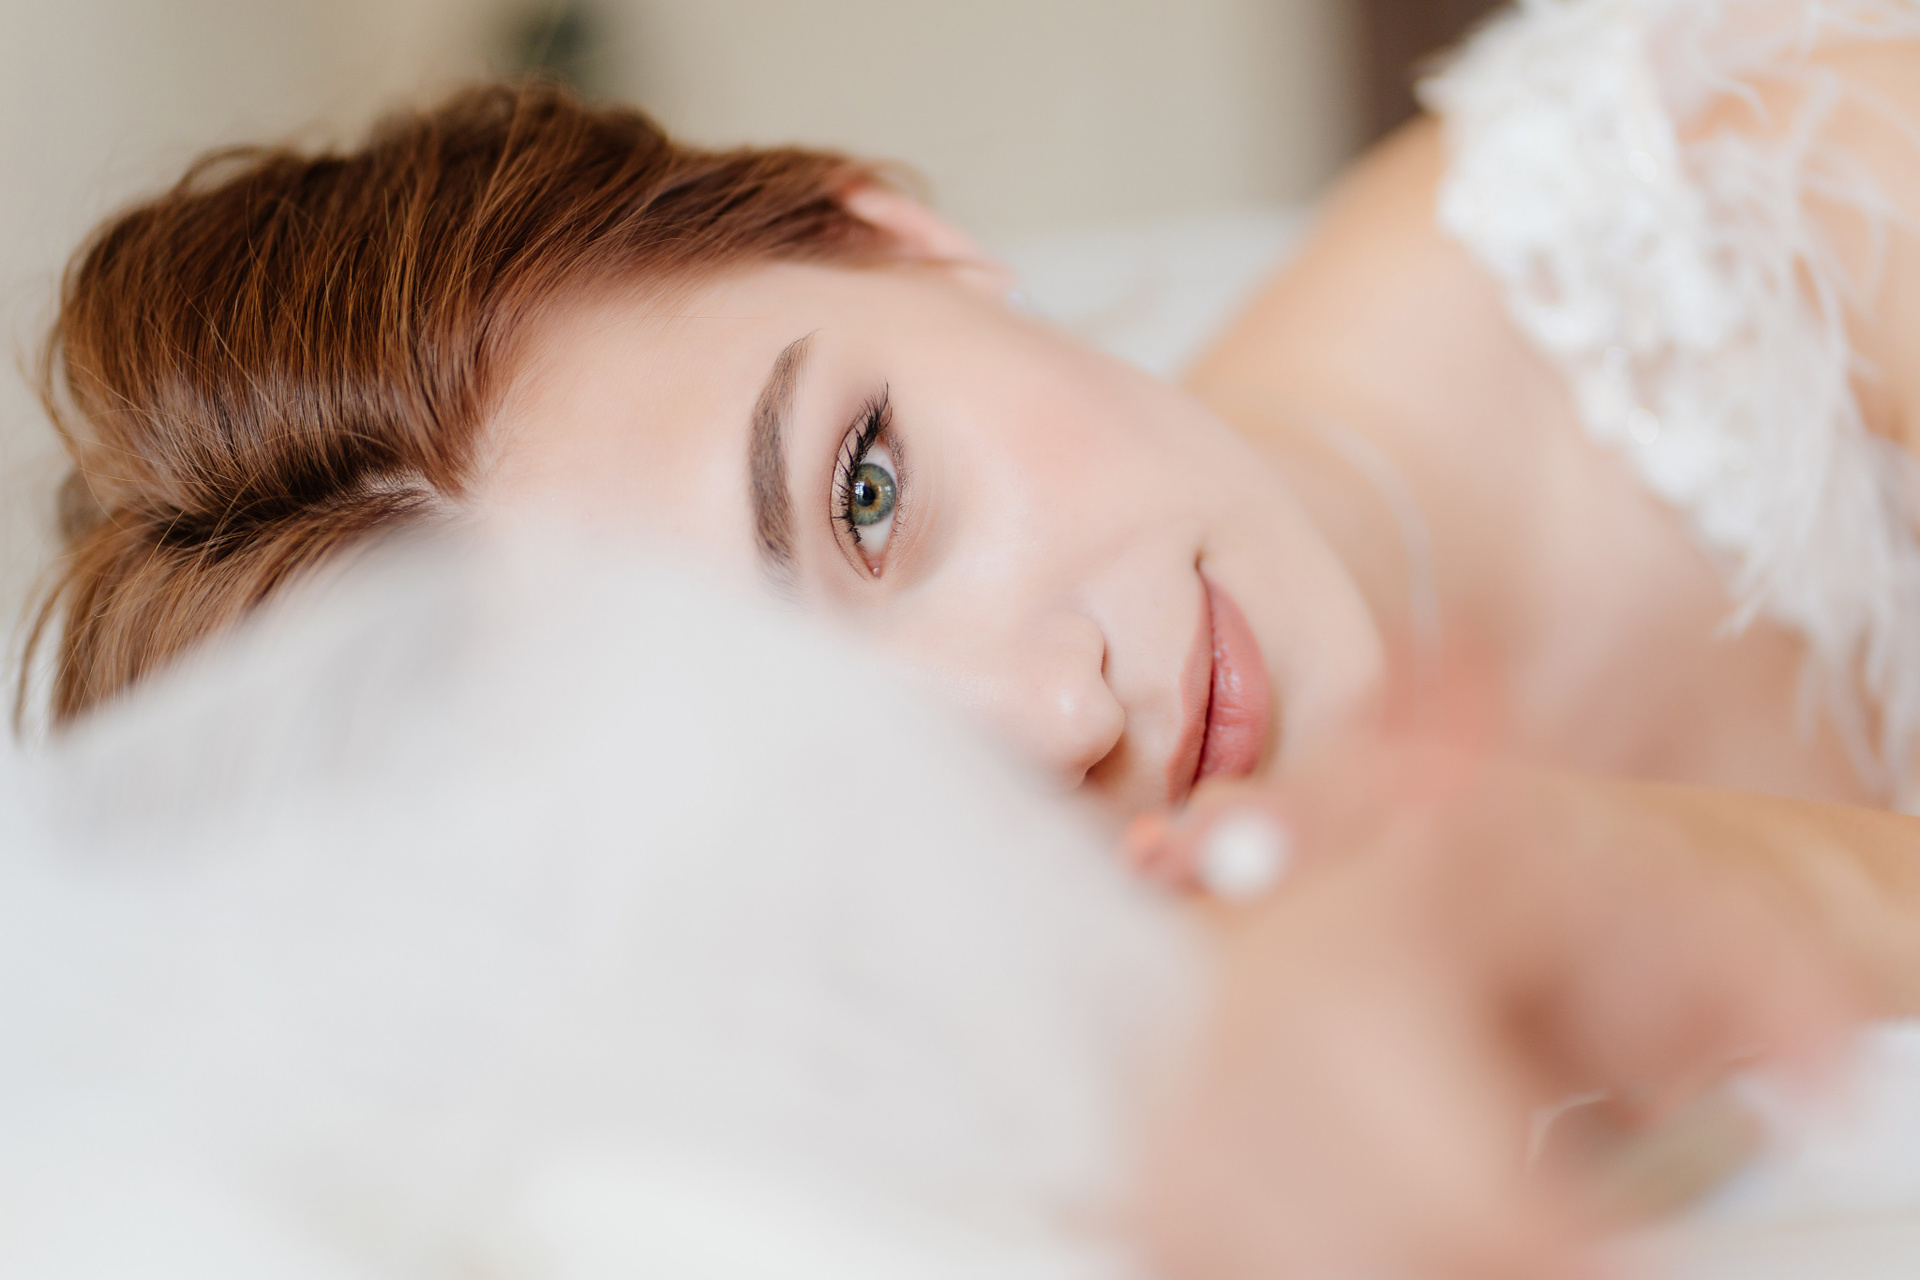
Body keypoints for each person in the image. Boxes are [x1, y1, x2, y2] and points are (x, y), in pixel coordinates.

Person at [14, 0, 1920, 1275]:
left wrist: (1691, 869)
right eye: (825, 782)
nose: (1053, 717)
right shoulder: (1060, 1107)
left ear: (897, 236)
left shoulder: (1759, 200)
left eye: (864, 493)